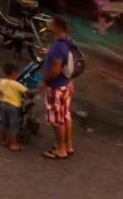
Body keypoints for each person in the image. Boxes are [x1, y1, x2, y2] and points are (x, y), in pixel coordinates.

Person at [39, 16, 76, 159]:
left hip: (56, 88)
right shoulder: (67, 41)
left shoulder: (57, 46)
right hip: (67, 85)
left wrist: (44, 81)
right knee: (66, 116)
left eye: (50, 24)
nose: (48, 25)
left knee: (56, 120)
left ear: (58, 28)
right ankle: (68, 145)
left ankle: (60, 149)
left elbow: (54, 71)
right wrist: (49, 53)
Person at [0, 58, 27, 150]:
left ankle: (3, 140)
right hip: (13, 106)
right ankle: (14, 144)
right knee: (13, 125)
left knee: (3, 123)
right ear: (14, 73)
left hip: (4, 104)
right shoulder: (16, 84)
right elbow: (26, 91)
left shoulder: (1, 81)